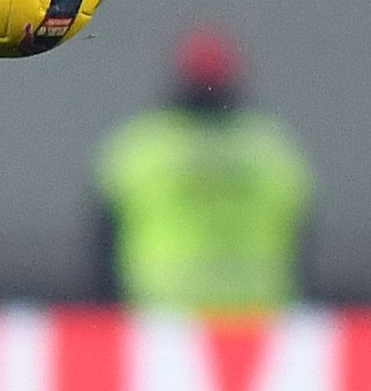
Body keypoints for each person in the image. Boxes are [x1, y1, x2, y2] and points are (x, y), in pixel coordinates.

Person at [94, 25, 313, 316]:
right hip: (257, 317)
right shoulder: (272, 150)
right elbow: (304, 238)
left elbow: (101, 244)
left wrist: (109, 312)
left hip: (161, 316)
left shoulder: (139, 149)